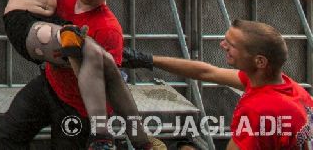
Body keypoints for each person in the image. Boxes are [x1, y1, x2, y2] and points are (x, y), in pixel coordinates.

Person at [0, 0, 161, 150]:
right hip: (51, 84)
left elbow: (110, 83)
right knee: (7, 135)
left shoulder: (109, 29)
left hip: (79, 106)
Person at [126, 20, 313, 150]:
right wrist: (147, 60)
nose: (222, 45)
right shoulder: (285, 86)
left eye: (231, 44)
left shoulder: (259, 109)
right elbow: (207, 72)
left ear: (260, 61)